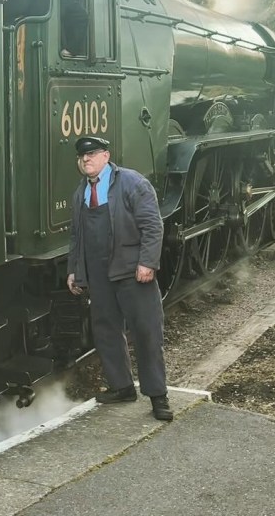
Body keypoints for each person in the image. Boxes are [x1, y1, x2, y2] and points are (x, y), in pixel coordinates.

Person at [66, 135, 173, 422]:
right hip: (98, 275)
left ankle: (158, 396)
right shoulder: (81, 193)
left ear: (106, 156)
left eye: (92, 155)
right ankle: (122, 387)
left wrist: (147, 262)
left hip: (131, 270)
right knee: (106, 332)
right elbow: (76, 236)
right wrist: (74, 270)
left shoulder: (132, 183)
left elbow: (153, 225)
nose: (85, 160)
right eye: (82, 157)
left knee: (146, 332)